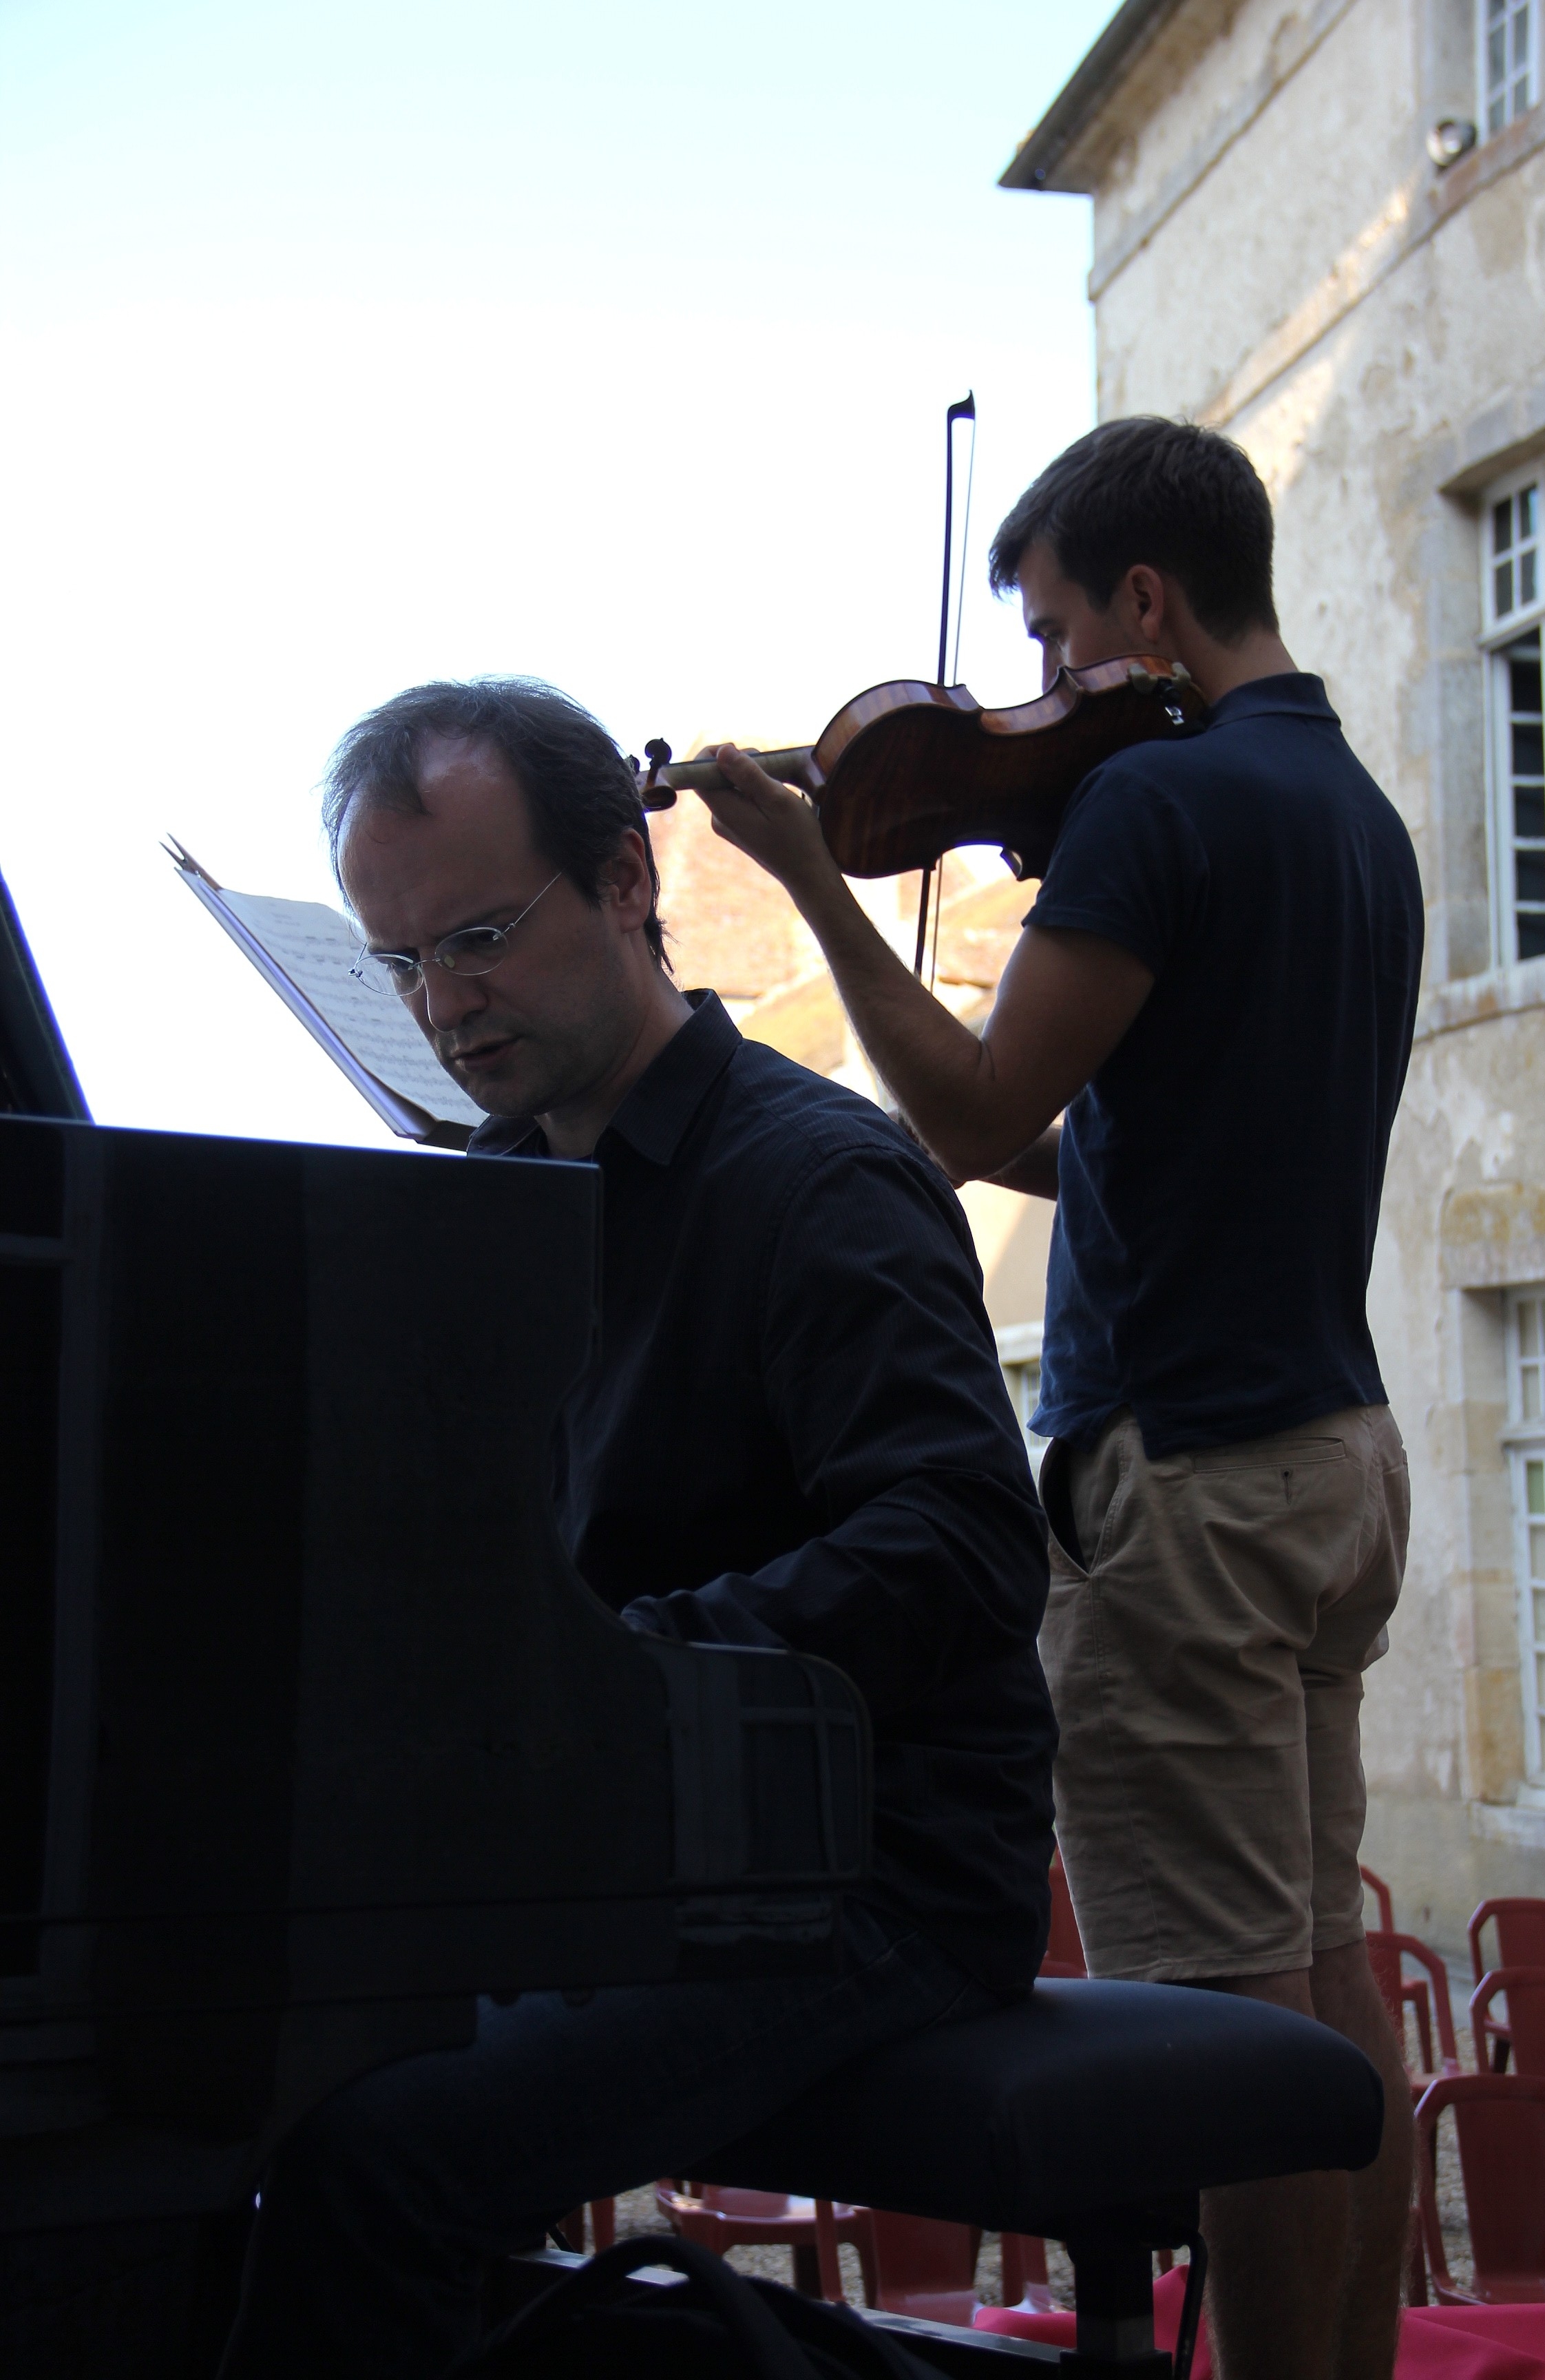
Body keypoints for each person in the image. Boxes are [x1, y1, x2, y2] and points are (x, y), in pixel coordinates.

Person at [691, 417, 1423, 2380]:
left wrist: (812, 884)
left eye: (1050, 635)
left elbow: (969, 1121)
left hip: (1183, 1482)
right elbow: (1087, 1144)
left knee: (1234, 2015)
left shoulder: (1155, 814)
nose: (1035, 697)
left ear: (1148, 604)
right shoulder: (1352, 808)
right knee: (1333, 1969)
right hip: (1338, 1462)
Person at [218, 678, 1056, 2378]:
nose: (443, 1006)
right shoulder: (515, 1207)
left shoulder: (818, 1179)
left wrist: (604, 1676)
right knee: (208, 2076)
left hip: (863, 1874)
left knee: (374, 2152)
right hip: (637, 1858)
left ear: (623, 885)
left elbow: (964, 1547)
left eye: (478, 939)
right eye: (401, 965)